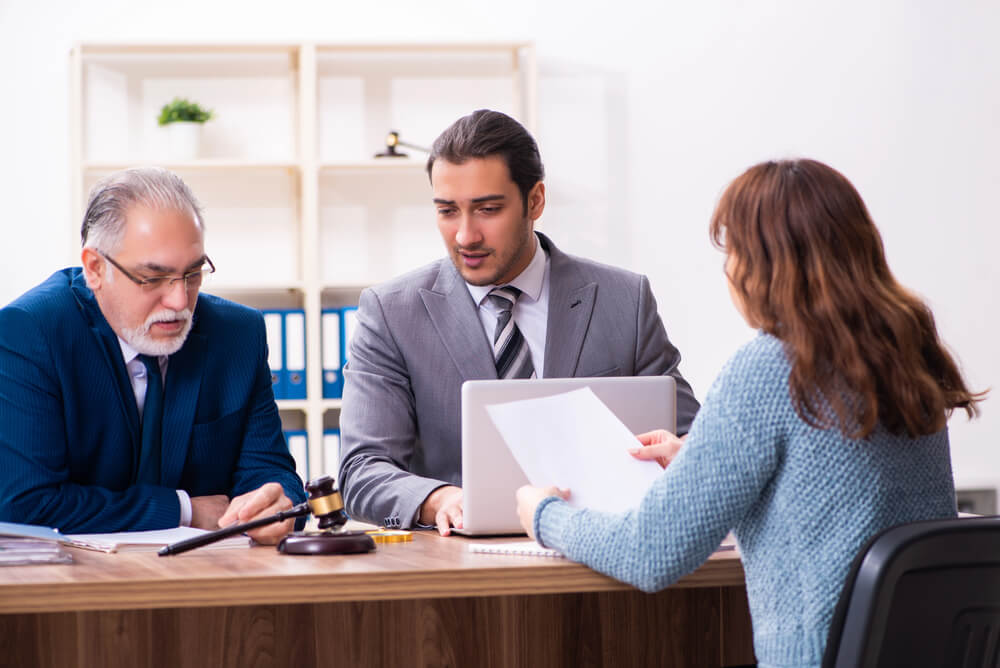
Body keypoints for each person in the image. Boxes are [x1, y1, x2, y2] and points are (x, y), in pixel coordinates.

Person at [517, 158, 983, 668]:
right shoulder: (907, 349)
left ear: (763, 264)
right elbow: (834, 504)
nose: (729, 270)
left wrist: (544, 515)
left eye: (733, 252)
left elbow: (648, 554)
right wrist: (700, 459)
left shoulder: (771, 366)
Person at [339, 109, 699, 534]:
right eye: (448, 211)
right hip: (458, 575)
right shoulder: (392, 313)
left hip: (606, 560)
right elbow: (361, 472)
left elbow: (695, 445)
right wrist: (441, 499)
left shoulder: (624, 300)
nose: (465, 236)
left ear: (535, 201)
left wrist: (682, 454)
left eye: (487, 209)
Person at [0, 167, 306, 542]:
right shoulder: (30, 333)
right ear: (95, 268)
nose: (179, 301)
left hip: (214, 580)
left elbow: (269, 469)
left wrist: (277, 502)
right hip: (74, 583)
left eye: (193, 273)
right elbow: (25, 504)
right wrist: (184, 510)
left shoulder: (238, 335)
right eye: (153, 278)